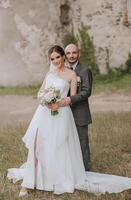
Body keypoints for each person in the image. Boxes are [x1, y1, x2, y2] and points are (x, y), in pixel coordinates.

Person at [7, 45, 131, 197]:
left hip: (62, 113)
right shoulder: (49, 74)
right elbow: (40, 92)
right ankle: (27, 183)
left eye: (58, 57)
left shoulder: (72, 75)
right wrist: (46, 100)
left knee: (59, 145)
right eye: (52, 59)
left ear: (63, 57)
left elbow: (72, 98)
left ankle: (57, 177)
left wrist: (59, 102)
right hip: (44, 113)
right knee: (37, 144)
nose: (55, 61)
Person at [60, 43, 92, 171]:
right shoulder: (62, 70)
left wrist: (70, 99)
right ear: (65, 55)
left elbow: (86, 91)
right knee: (66, 141)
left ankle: (85, 169)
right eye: (68, 53)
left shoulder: (84, 70)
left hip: (80, 112)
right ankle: (71, 169)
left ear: (79, 53)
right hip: (64, 112)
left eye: (74, 52)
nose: (71, 56)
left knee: (82, 142)